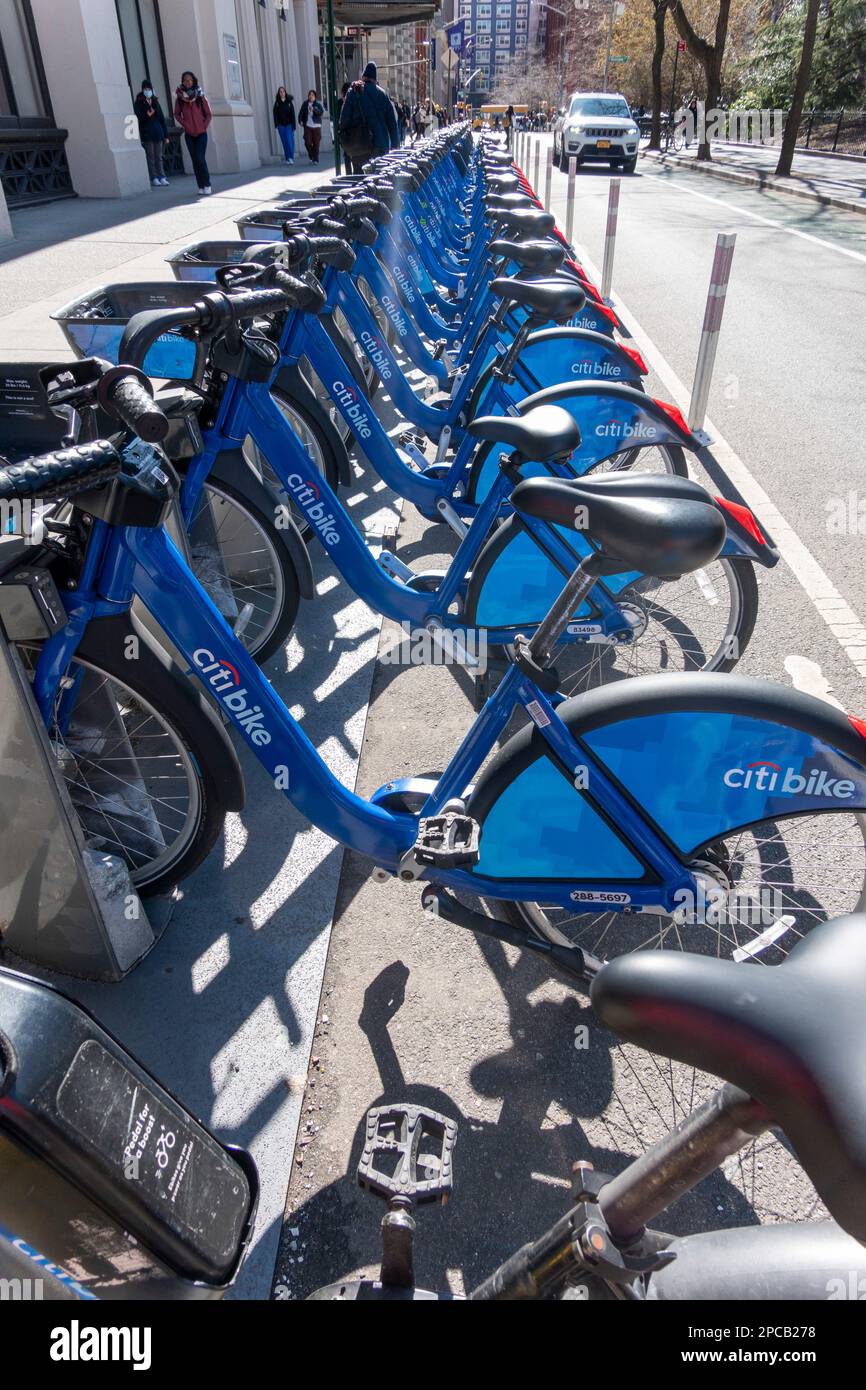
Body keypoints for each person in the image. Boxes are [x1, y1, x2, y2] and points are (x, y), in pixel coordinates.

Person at [339, 62, 397, 173]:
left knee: (360, 180)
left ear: (363, 77)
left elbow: (344, 120)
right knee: (379, 180)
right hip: (381, 145)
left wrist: (344, 138)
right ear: (375, 79)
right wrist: (395, 147)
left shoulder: (353, 92)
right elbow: (392, 124)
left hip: (359, 145)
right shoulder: (382, 94)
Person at [174, 70, 212, 195]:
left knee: (201, 158)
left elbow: (208, 114)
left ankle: (207, 184)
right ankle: (200, 186)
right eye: (185, 80)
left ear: (193, 81)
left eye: (190, 80)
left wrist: (204, 126)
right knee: (195, 160)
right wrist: (185, 124)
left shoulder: (200, 96)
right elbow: (176, 114)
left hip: (201, 134)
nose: (188, 82)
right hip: (189, 134)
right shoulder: (180, 98)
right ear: (183, 82)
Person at [134, 78, 169, 187]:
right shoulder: (139, 102)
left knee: (159, 156)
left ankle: (162, 176)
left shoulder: (155, 101)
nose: (147, 91)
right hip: (147, 133)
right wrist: (146, 116)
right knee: (151, 157)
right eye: (145, 89)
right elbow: (137, 117)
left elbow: (161, 118)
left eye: (149, 89)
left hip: (158, 133)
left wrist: (165, 135)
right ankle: (154, 177)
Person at [298, 89, 324, 163]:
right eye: (310, 94)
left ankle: (316, 159)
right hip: (308, 126)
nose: (311, 96)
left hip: (316, 126)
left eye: (312, 95)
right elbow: (301, 113)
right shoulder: (305, 104)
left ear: (315, 97)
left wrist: (314, 109)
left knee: (316, 143)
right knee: (307, 142)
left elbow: (320, 113)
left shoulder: (318, 105)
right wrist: (300, 121)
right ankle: (311, 154)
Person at [273, 86, 296, 164]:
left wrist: (294, 125)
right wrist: (276, 124)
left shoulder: (289, 102)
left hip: (289, 124)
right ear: (279, 93)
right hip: (281, 125)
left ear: (285, 93)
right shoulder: (277, 103)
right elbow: (275, 114)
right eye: (280, 92)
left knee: (289, 141)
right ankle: (287, 158)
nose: (282, 93)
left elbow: (293, 114)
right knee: (284, 142)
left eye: (283, 91)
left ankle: (291, 157)